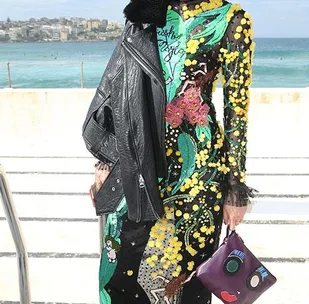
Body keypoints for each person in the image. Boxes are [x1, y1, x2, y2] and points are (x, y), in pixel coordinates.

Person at [90, 0, 256, 303]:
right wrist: (107, 158)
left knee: (186, 283)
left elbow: (237, 113)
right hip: (134, 163)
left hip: (197, 177)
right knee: (121, 274)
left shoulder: (232, 19)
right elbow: (120, 87)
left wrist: (236, 188)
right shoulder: (143, 12)